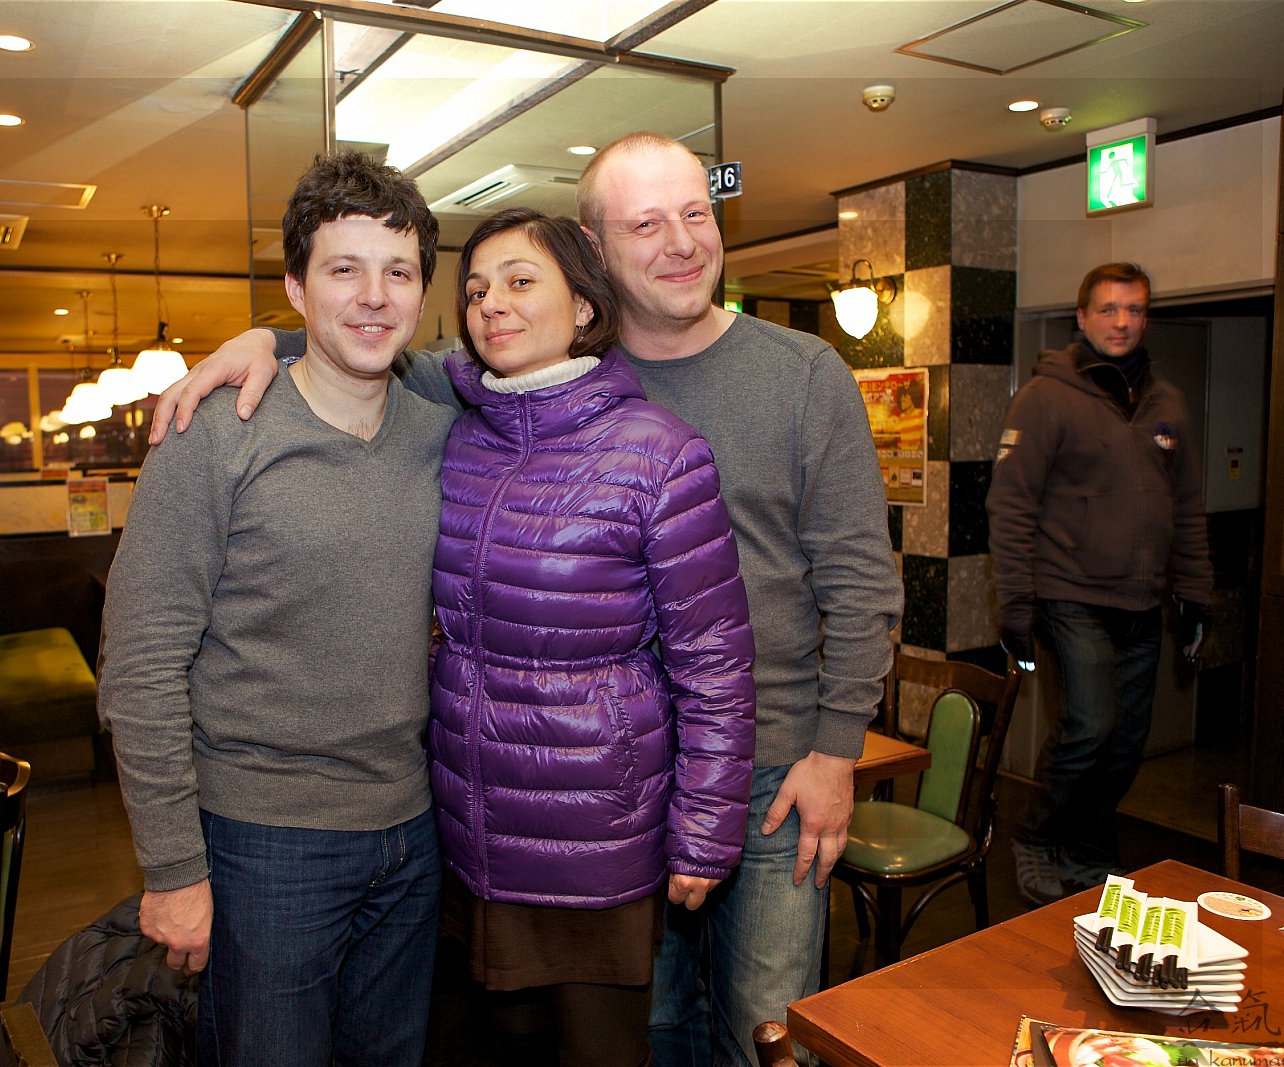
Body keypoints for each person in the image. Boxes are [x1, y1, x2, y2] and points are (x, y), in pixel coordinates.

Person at [153, 131, 903, 1067]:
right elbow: (367, 335)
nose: (680, 241)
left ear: (576, 295)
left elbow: (856, 578)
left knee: (765, 1026)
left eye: (695, 214)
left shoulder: (794, 376)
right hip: (557, 796)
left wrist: (838, 746)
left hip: (770, 765)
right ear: (596, 251)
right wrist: (269, 338)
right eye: (646, 223)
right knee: (651, 1029)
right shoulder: (479, 403)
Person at [98, 151, 457, 1066]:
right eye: (344, 269)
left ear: (422, 293)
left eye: (399, 272)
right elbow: (140, 661)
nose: (373, 296)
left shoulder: (440, 425)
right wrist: (173, 868)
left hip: (412, 833)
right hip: (264, 844)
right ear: (296, 288)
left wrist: (267, 336)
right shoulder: (214, 433)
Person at [431, 206, 756, 1065]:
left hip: (594, 835)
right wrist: (265, 343)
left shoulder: (659, 451)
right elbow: (355, 350)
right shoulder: (461, 438)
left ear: (583, 305)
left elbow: (715, 665)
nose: (491, 303)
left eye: (519, 281)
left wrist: (706, 829)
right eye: (475, 289)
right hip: (470, 831)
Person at [987, 262, 1213, 908]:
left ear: (1146, 318)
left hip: (1142, 603)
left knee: (1125, 744)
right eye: (1109, 309)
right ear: (1082, 317)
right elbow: (1010, 505)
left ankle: (1085, 845)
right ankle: (1037, 836)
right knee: (1090, 725)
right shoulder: (1046, 397)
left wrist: (1196, 593)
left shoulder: (1167, 404)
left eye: (1134, 309)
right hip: (1070, 592)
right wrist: (1016, 604)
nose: (1122, 322)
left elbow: (1187, 508)